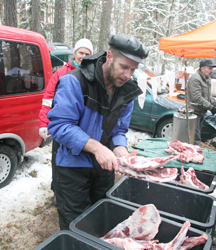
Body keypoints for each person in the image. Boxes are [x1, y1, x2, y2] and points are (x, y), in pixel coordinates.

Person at [47, 34, 148, 230]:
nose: (128, 75)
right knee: (76, 225)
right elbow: (59, 126)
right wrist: (96, 147)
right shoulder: (74, 82)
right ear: (109, 56)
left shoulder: (127, 91)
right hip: (71, 166)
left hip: (103, 167)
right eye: (124, 67)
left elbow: (119, 129)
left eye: (133, 70)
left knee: (101, 216)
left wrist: (119, 147)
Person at [38, 38, 93, 140]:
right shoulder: (61, 73)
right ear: (75, 53)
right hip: (62, 125)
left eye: (87, 54)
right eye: (81, 52)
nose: (83, 57)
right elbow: (48, 99)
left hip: (85, 128)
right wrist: (43, 123)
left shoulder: (93, 75)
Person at [186, 59, 216, 145]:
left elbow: (207, 94)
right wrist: (210, 107)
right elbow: (196, 97)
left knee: (197, 135)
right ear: (202, 68)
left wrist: (212, 101)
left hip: (201, 112)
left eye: (212, 68)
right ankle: (195, 156)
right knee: (195, 138)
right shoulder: (195, 79)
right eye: (209, 68)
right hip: (194, 112)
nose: (211, 71)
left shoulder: (207, 78)